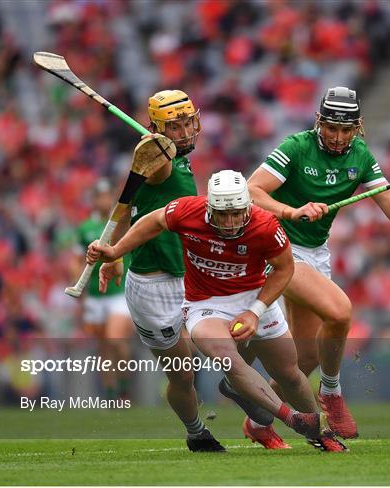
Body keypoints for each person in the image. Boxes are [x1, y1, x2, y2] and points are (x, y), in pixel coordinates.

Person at [87, 170, 348, 452]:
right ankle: (293, 419)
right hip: (205, 303)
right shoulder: (189, 211)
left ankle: (319, 432)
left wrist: (255, 311)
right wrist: (116, 251)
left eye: (236, 213)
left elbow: (285, 269)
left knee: (289, 372)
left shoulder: (265, 225)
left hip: (253, 297)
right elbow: (155, 220)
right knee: (227, 358)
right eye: (222, 214)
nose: (230, 222)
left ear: (247, 207)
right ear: (209, 207)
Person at [244, 86, 390, 442]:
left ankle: (258, 419)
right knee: (339, 312)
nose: (337, 137)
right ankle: (331, 393)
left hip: (317, 253)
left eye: (345, 130)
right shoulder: (296, 147)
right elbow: (251, 190)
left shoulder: (361, 155)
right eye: (330, 128)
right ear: (318, 122)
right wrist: (292, 211)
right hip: (280, 250)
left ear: (357, 128)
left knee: (304, 359)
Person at [97, 90, 224, 452]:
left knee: (237, 336)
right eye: (175, 127)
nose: (184, 133)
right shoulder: (159, 160)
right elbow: (145, 182)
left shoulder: (175, 157)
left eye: (188, 124)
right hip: (155, 289)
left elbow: (129, 209)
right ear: (156, 128)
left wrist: (115, 255)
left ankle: (235, 389)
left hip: (189, 276)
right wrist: (116, 254)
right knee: (182, 375)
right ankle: (196, 431)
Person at [71, 178, 134, 400]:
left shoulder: (122, 222)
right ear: (94, 200)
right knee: (103, 346)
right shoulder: (85, 227)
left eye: (107, 196)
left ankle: (124, 385)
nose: (104, 200)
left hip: (118, 291)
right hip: (95, 296)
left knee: (115, 338)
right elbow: (78, 261)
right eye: (100, 196)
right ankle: (111, 393)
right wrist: (80, 292)